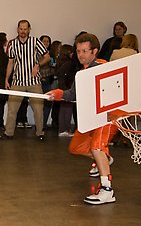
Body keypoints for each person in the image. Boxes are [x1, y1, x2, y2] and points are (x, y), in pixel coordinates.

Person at [46, 33, 123, 205]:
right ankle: (104, 158)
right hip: (93, 118)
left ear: (94, 51)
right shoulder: (82, 73)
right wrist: (58, 94)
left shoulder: (104, 66)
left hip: (109, 116)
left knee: (96, 147)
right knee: (76, 147)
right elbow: (73, 94)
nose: (81, 55)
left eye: (84, 51)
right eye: (78, 51)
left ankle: (107, 190)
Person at [0, 20, 50, 141]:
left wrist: (38, 64)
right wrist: (7, 79)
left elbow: (47, 57)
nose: (23, 31)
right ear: (18, 29)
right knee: (12, 109)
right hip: (17, 82)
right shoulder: (13, 44)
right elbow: (10, 63)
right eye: (21, 29)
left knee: (38, 109)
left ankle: (40, 133)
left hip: (34, 82)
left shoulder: (35, 42)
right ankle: (9, 133)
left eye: (25, 29)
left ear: (29, 29)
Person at [54, 44, 76, 136]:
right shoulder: (69, 64)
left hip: (60, 87)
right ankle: (65, 129)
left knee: (62, 110)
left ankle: (62, 129)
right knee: (67, 110)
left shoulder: (59, 62)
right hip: (66, 88)